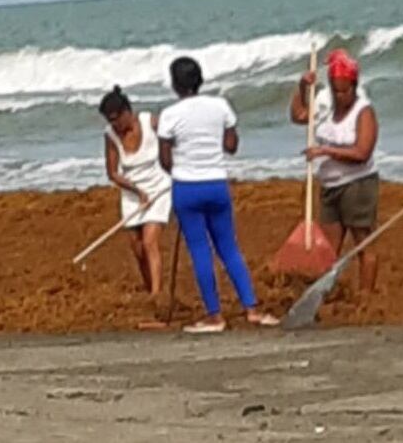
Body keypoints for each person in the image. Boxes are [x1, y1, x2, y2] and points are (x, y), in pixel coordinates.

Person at [157, 56, 278, 333]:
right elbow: (232, 145)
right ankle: (251, 308)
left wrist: (182, 166)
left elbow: (165, 159)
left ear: (175, 84)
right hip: (216, 183)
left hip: (187, 186)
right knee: (229, 248)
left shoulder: (169, 115)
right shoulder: (220, 106)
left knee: (201, 251)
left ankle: (214, 315)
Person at [289, 49, 380, 292]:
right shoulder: (324, 101)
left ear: (354, 86)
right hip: (330, 186)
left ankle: (367, 298)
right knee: (328, 249)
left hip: (357, 184)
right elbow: (299, 116)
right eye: (336, 90)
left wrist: (325, 151)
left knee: (363, 244)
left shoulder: (364, 110)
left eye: (344, 90)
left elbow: (362, 153)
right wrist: (302, 89)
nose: (340, 96)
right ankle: (327, 294)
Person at [99, 86, 172, 298]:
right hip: (132, 192)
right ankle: (150, 287)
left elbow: (174, 140)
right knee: (138, 249)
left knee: (150, 242)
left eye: (116, 118)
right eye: (109, 120)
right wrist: (136, 191)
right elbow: (113, 173)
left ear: (127, 111)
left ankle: (157, 294)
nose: (115, 124)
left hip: (159, 188)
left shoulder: (151, 122)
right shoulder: (110, 135)